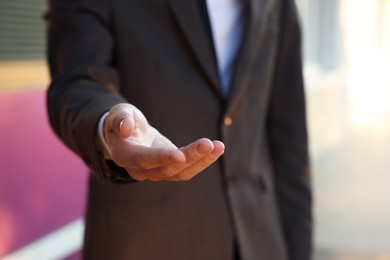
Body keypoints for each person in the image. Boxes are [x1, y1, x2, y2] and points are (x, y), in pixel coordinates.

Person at [46, 0, 312, 259]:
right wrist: (107, 121)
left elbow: (289, 133)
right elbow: (78, 78)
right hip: (147, 239)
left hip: (260, 238)